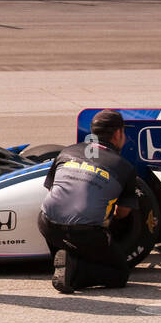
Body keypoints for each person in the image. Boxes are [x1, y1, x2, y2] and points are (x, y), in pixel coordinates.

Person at [38, 110, 138, 294]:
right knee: (119, 274)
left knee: (67, 226)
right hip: (84, 233)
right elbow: (122, 213)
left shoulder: (67, 151)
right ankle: (75, 272)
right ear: (118, 134)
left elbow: (51, 189)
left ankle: (65, 258)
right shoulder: (124, 166)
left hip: (47, 224)